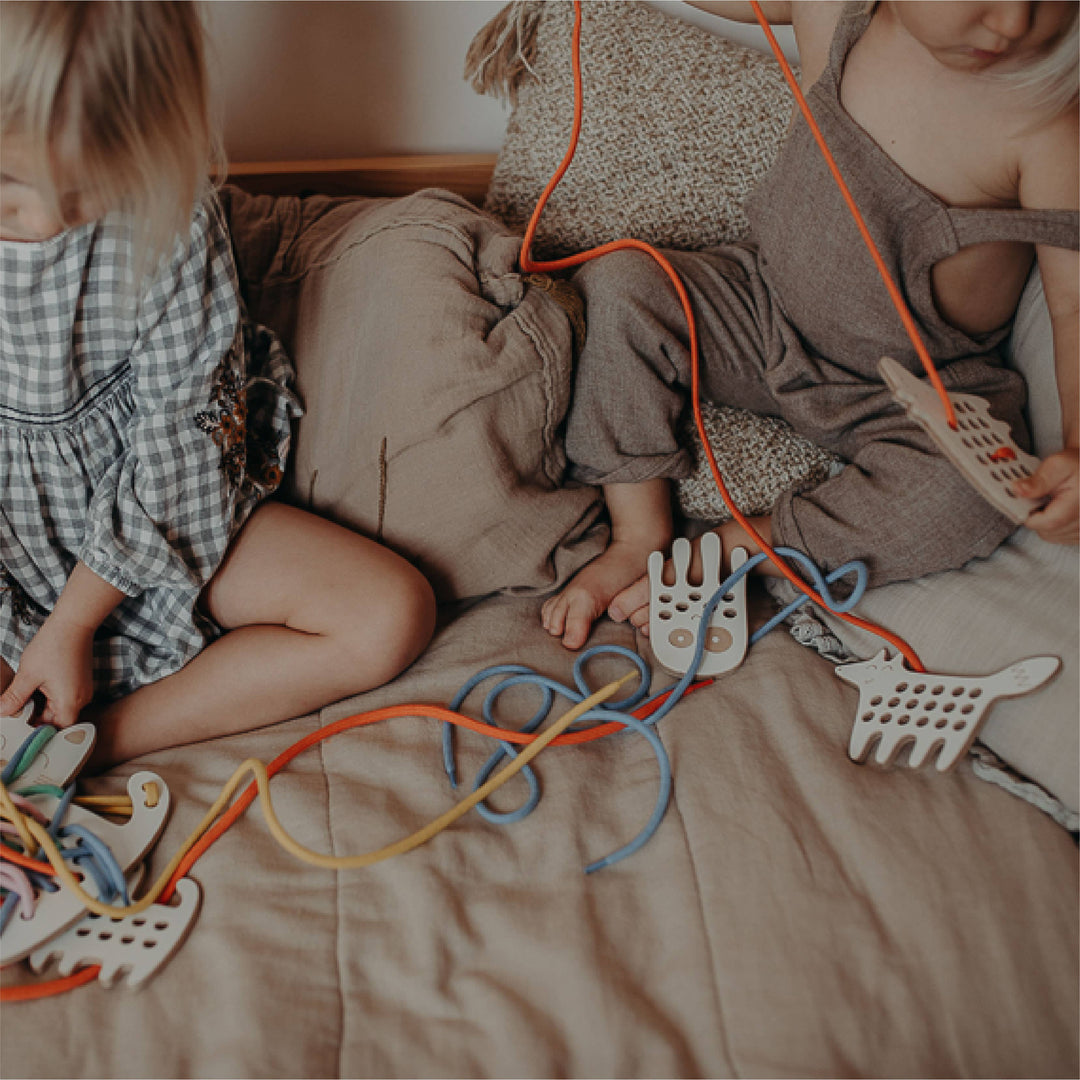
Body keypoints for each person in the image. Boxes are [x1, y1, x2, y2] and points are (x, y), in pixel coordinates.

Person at [542, 0, 1079, 650]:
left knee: (968, 498)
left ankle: (747, 545)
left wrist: (1077, 449)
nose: (1015, 21)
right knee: (622, 285)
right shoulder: (837, 8)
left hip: (915, 387)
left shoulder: (1049, 125)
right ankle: (639, 533)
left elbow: (1072, 306)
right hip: (762, 307)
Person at [0, 1, 437, 766]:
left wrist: (72, 623)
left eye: (83, 191)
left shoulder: (170, 218)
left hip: (153, 504)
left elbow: (182, 436)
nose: (43, 220)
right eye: (8, 179)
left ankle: (91, 745)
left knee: (390, 612)